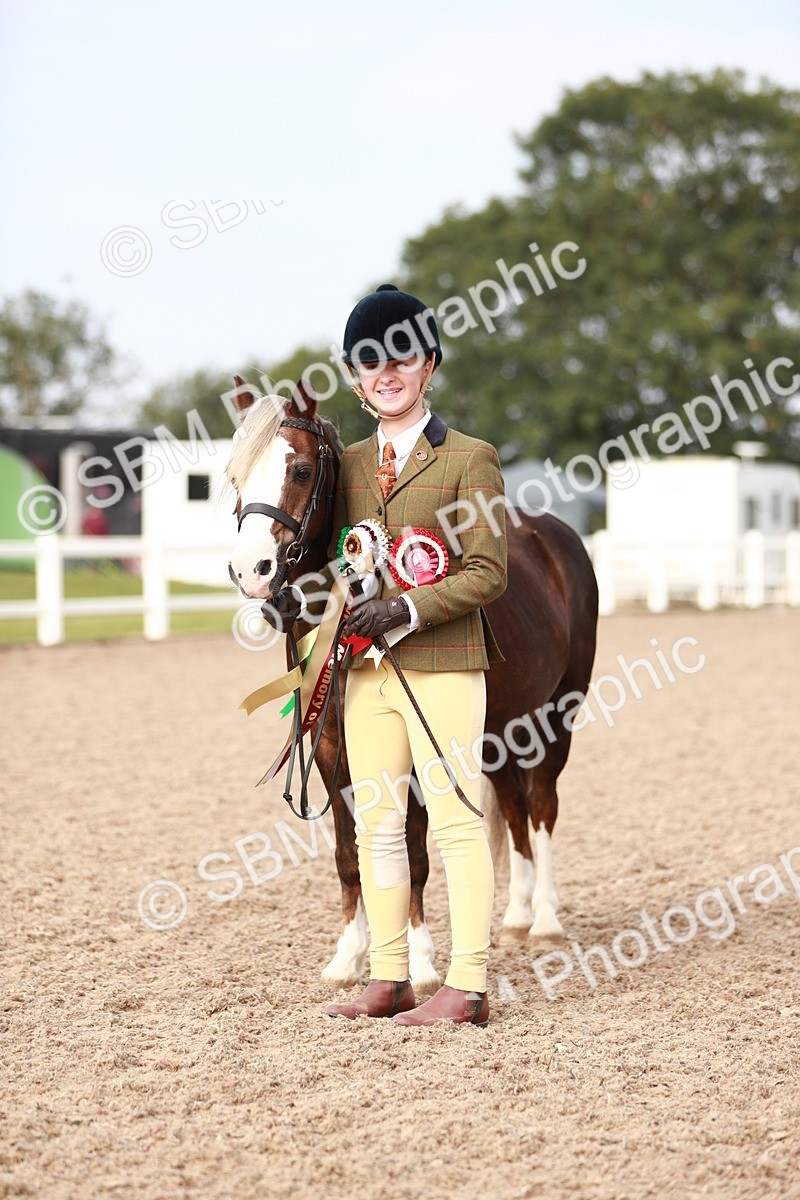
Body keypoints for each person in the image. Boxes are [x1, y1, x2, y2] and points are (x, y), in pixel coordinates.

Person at [272, 283, 507, 1027]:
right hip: (366, 670)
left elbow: (488, 571)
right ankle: (391, 976)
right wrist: (295, 597)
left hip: (442, 664)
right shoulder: (348, 464)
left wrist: (405, 606)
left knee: (456, 817)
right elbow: (336, 566)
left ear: (429, 363)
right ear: (354, 377)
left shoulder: (470, 458)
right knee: (375, 821)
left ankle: (466, 986)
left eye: (401, 354)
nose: (387, 370)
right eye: (369, 359)